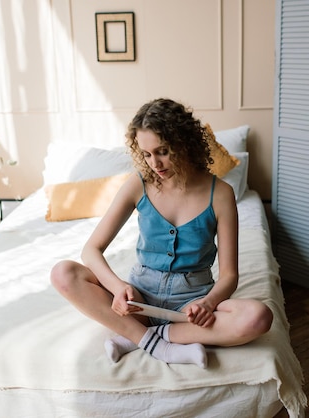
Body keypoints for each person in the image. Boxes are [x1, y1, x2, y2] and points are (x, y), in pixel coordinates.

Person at [50, 98, 273, 368]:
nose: (154, 163)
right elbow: (91, 250)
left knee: (258, 317)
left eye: (162, 151)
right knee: (62, 273)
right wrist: (118, 288)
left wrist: (208, 302)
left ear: (184, 143)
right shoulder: (138, 184)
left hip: (189, 308)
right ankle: (161, 347)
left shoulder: (222, 194)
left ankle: (140, 338)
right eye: (146, 154)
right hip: (138, 302)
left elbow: (229, 276)